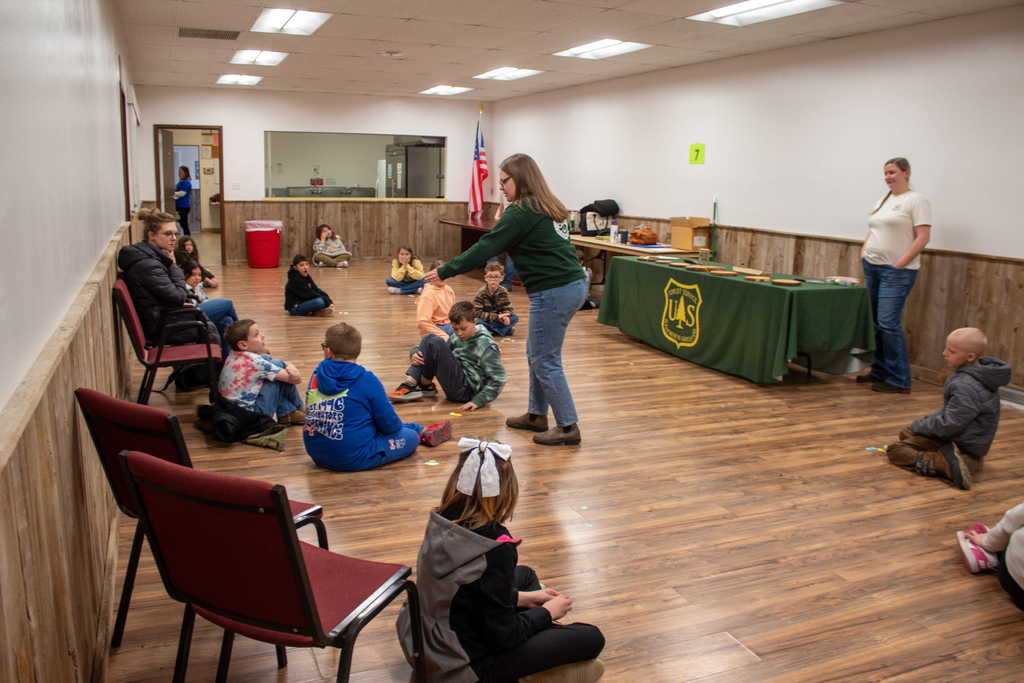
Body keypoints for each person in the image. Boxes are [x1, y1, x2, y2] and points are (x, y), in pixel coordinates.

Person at [396, 438, 605, 683]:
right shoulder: (495, 547)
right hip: (461, 663)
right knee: (591, 637)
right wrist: (547, 614)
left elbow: (460, 589)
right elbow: (503, 636)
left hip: (424, 636)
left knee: (525, 575)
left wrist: (521, 598)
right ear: (507, 489)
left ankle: (535, 639)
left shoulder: (441, 516)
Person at [425, 153, 587, 446]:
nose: (500, 186)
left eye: (504, 181)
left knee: (544, 358)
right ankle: (537, 415)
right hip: (568, 286)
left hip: (555, 290)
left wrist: (446, 271)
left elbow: (487, 246)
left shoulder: (522, 211)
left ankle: (567, 426)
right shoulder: (548, 206)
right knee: (536, 353)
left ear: (521, 179)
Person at [303, 322, 451, 472]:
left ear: (328, 351)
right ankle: (419, 432)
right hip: (352, 457)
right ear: (357, 351)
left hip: (317, 453)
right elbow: (390, 426)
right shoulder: (366, 379)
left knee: (366, 419)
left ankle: (420, 429)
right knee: (410, 437)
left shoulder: (317, 374)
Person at [884, 327, 1010, 490]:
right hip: (972, 442)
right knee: (908, 433)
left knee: (896, 449)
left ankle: (941, 464)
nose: (944, 353)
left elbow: (951, 423)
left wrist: (919, 426)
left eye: (951, 351)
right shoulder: (978, 374)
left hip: (961, 441)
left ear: (970, 356)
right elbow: (952, 414)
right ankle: (960, 460)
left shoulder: (966, 384)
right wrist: (924, 423)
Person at [856, 157, 932, 394]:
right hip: (872, 265)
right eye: (886, 173)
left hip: (896, 271)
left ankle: (899, 379)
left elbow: (922, 237)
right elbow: (873, 229)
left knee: (888, 323)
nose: (888, 177)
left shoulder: (916, 200)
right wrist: (864, 252)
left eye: (893, 172)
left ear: (906, 173)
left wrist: (900, 263)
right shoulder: (884, 199)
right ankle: (879, 370)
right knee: (876, 323)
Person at [117, 208, 219, 348]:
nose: (174, 238)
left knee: (224, 320)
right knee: (225, 307)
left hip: (168, 317)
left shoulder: (151, 258)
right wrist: (174, 267)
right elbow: (178, 297)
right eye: (168, 234)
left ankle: (234, 366)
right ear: (152, 235)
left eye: (175, 234)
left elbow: (175, 294)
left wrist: (185, 298)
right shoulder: (148, 265)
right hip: (164, 326)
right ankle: (233, 366)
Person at [388, 301, 506, 411]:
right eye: (455, 329)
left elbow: (499, 379)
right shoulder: (457, 336)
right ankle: (421, 385)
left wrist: (478, 401)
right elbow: (437, 352)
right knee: (429, 338)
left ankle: (411, 386)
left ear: (474, 322)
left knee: (435, 341)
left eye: (463, 328)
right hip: (458, 380)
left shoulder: (486, 345)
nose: (459, 333)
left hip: (467, 392)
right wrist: (414, 352)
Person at [218, 319, 305, 425]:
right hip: (253, 418)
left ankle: (288, 412)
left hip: (232, 411)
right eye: (256, 335)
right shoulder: (255, 362)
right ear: (243, 345)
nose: (262, 336)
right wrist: (290, 365)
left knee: (272, 364)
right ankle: (299, 408)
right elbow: (295, 379)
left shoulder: (232, 354)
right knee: (277, 370)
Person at [957, 503, 1024, 611]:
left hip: (1018, 589)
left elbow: (1011, 520)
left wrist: (985, 542)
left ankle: (989, 555)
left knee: (1014, 531)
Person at [180, 260, 237, 357]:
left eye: (199, 275)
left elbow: (205, 300)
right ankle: (239, 337)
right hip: (192, 316)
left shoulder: (198, 286)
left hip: (201, 313)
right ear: (185, 274)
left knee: (227, 320)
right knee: (228, 303)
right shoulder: (183, 288)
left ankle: (226, 358)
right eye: (193, 275)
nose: (197, 278)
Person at [474, 262, 519, 337]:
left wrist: (505, 317)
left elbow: (508, 307)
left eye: (496, 277)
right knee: (477, 322)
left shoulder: (503, 291)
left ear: (502, 278)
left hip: (500, 319)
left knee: (515, 317)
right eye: (490, 277)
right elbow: (477, 312)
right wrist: (496, 317)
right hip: (487, 319)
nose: (493, 280)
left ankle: (492, 331)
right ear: (485, 278)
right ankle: (502, 331)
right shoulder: (481, 293)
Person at [417, 260, 455, 338]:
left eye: (444, 274)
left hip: (448, 324)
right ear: (431, 275)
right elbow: (422, 322)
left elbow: (452, 313)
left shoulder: (449, 290)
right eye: (438, 274)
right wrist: (444, 336)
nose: (441, 277)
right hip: (436, 328)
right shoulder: (428, 294)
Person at [174, 165, 193, 236]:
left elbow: (182, 193)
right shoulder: (180, 182)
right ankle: (185, 236)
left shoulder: (186, 182)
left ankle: (187, 237)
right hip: (179, 205)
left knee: (184, 224)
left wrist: (172, 194)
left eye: (181, 172)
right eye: (179, 172)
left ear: (185, 173)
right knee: (181, 223)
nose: (179, 173)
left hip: (183, 206)